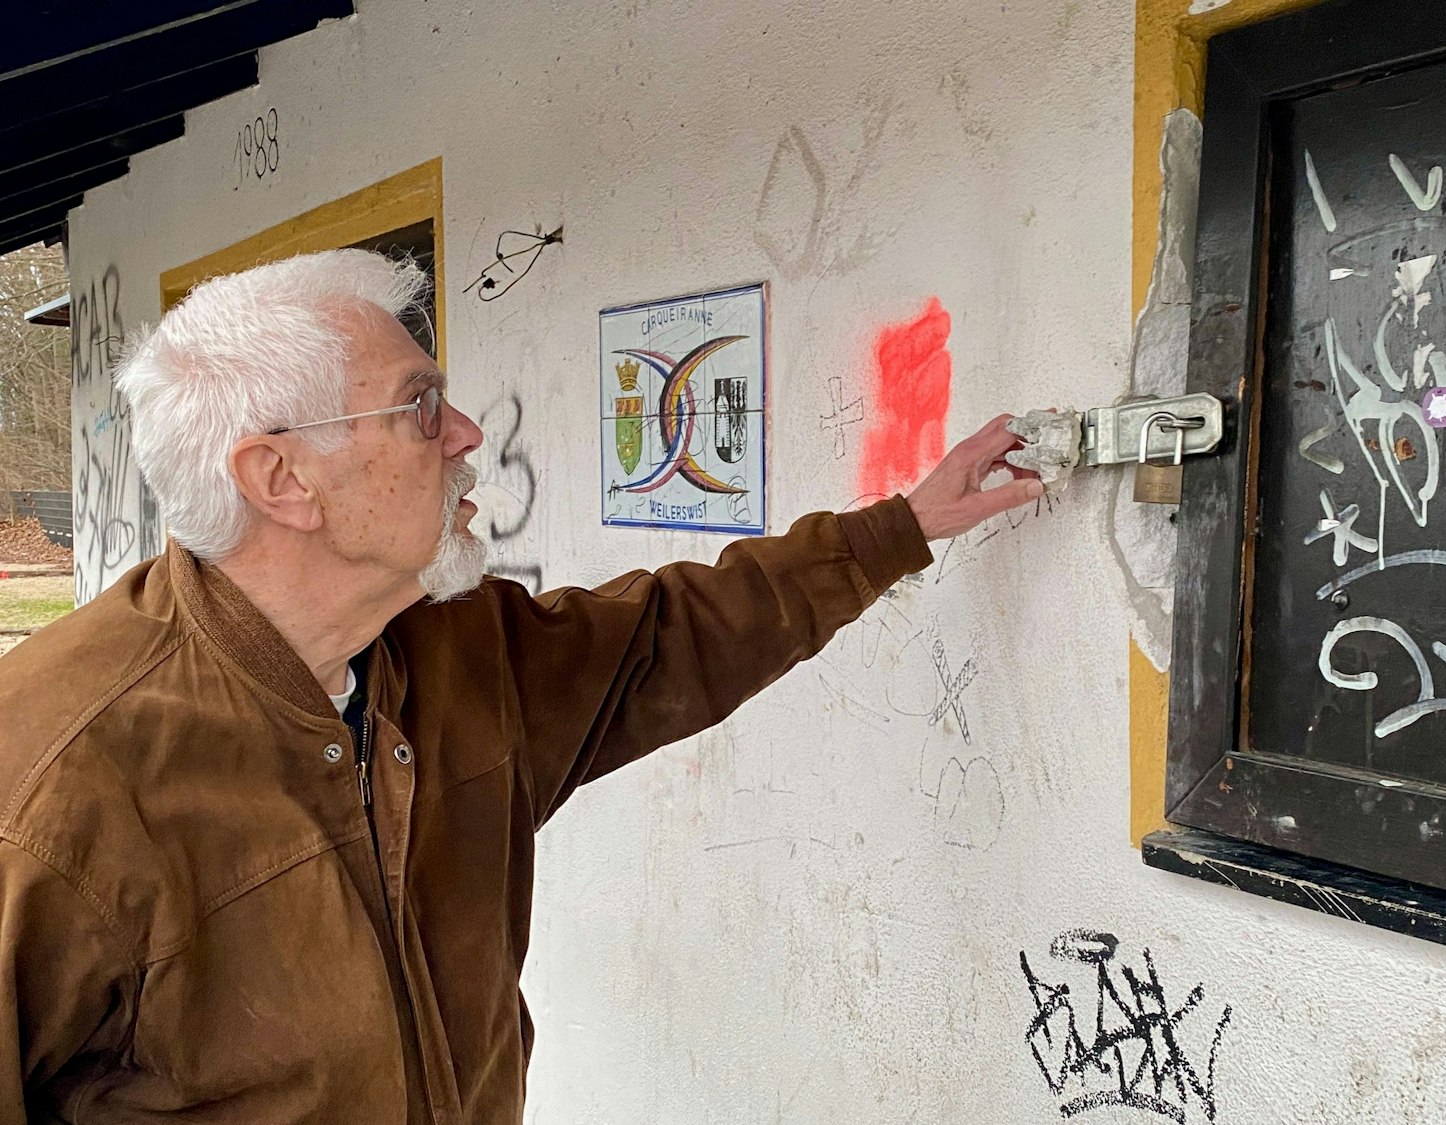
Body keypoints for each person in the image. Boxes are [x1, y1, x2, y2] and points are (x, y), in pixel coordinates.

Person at [0, 249, 1044, 1123]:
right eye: (421, 407)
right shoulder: (56, 778)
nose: (465, 434)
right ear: (283, 479)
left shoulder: (456, 648)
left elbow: (674, 638)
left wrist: (902, 528)